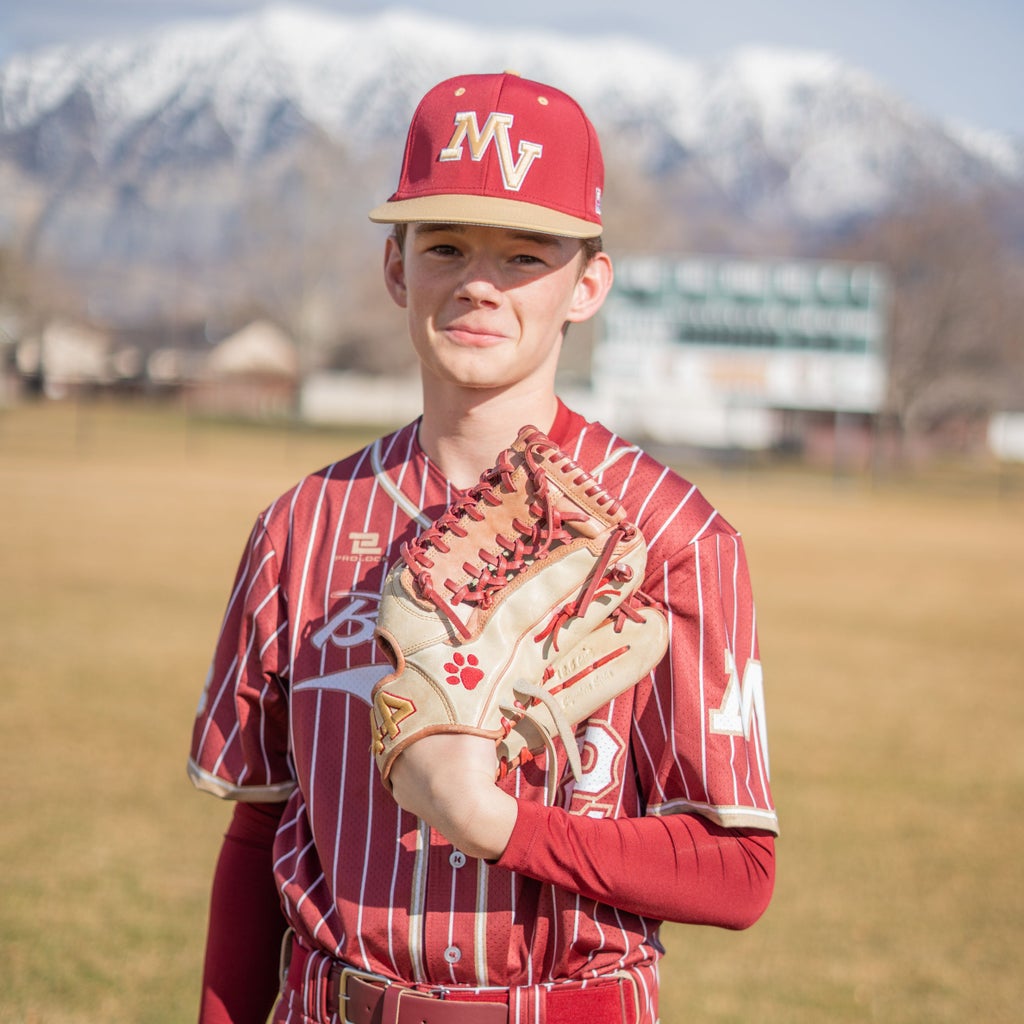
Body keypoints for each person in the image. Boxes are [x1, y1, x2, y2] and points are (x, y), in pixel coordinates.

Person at [188, 70, 778, 1024]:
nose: (476, 283)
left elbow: (739, 873)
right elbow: (261, 829)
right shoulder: (300, 526)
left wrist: (489, 822)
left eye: (523, 255)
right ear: (396, 268)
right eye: (447, 245)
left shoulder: (676, 536)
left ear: (588, 283)